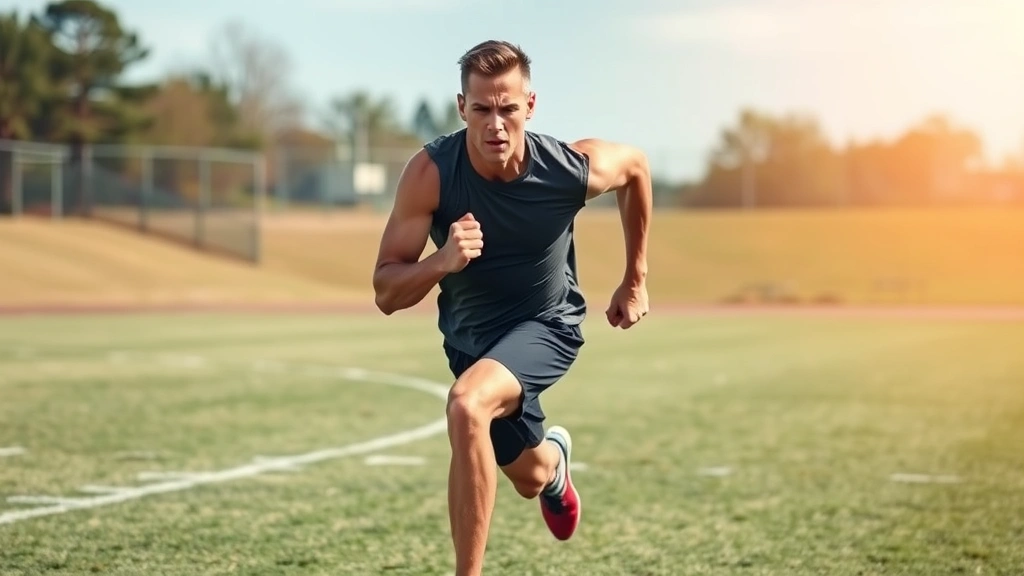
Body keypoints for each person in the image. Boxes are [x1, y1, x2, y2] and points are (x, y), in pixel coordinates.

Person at [372, 39, 652, 576]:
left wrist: (634, 279)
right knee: (526, 476)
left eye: (507, 108)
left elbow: (636, 168)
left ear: (530, 106)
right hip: (473, 343)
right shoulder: (431, 173)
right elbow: (386, 292)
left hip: (547, 325)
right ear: (462, 109)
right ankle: (554, 467)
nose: (495, 124)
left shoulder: (567, 170)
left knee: (466, 405)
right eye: (481, 109)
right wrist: (442, 262)